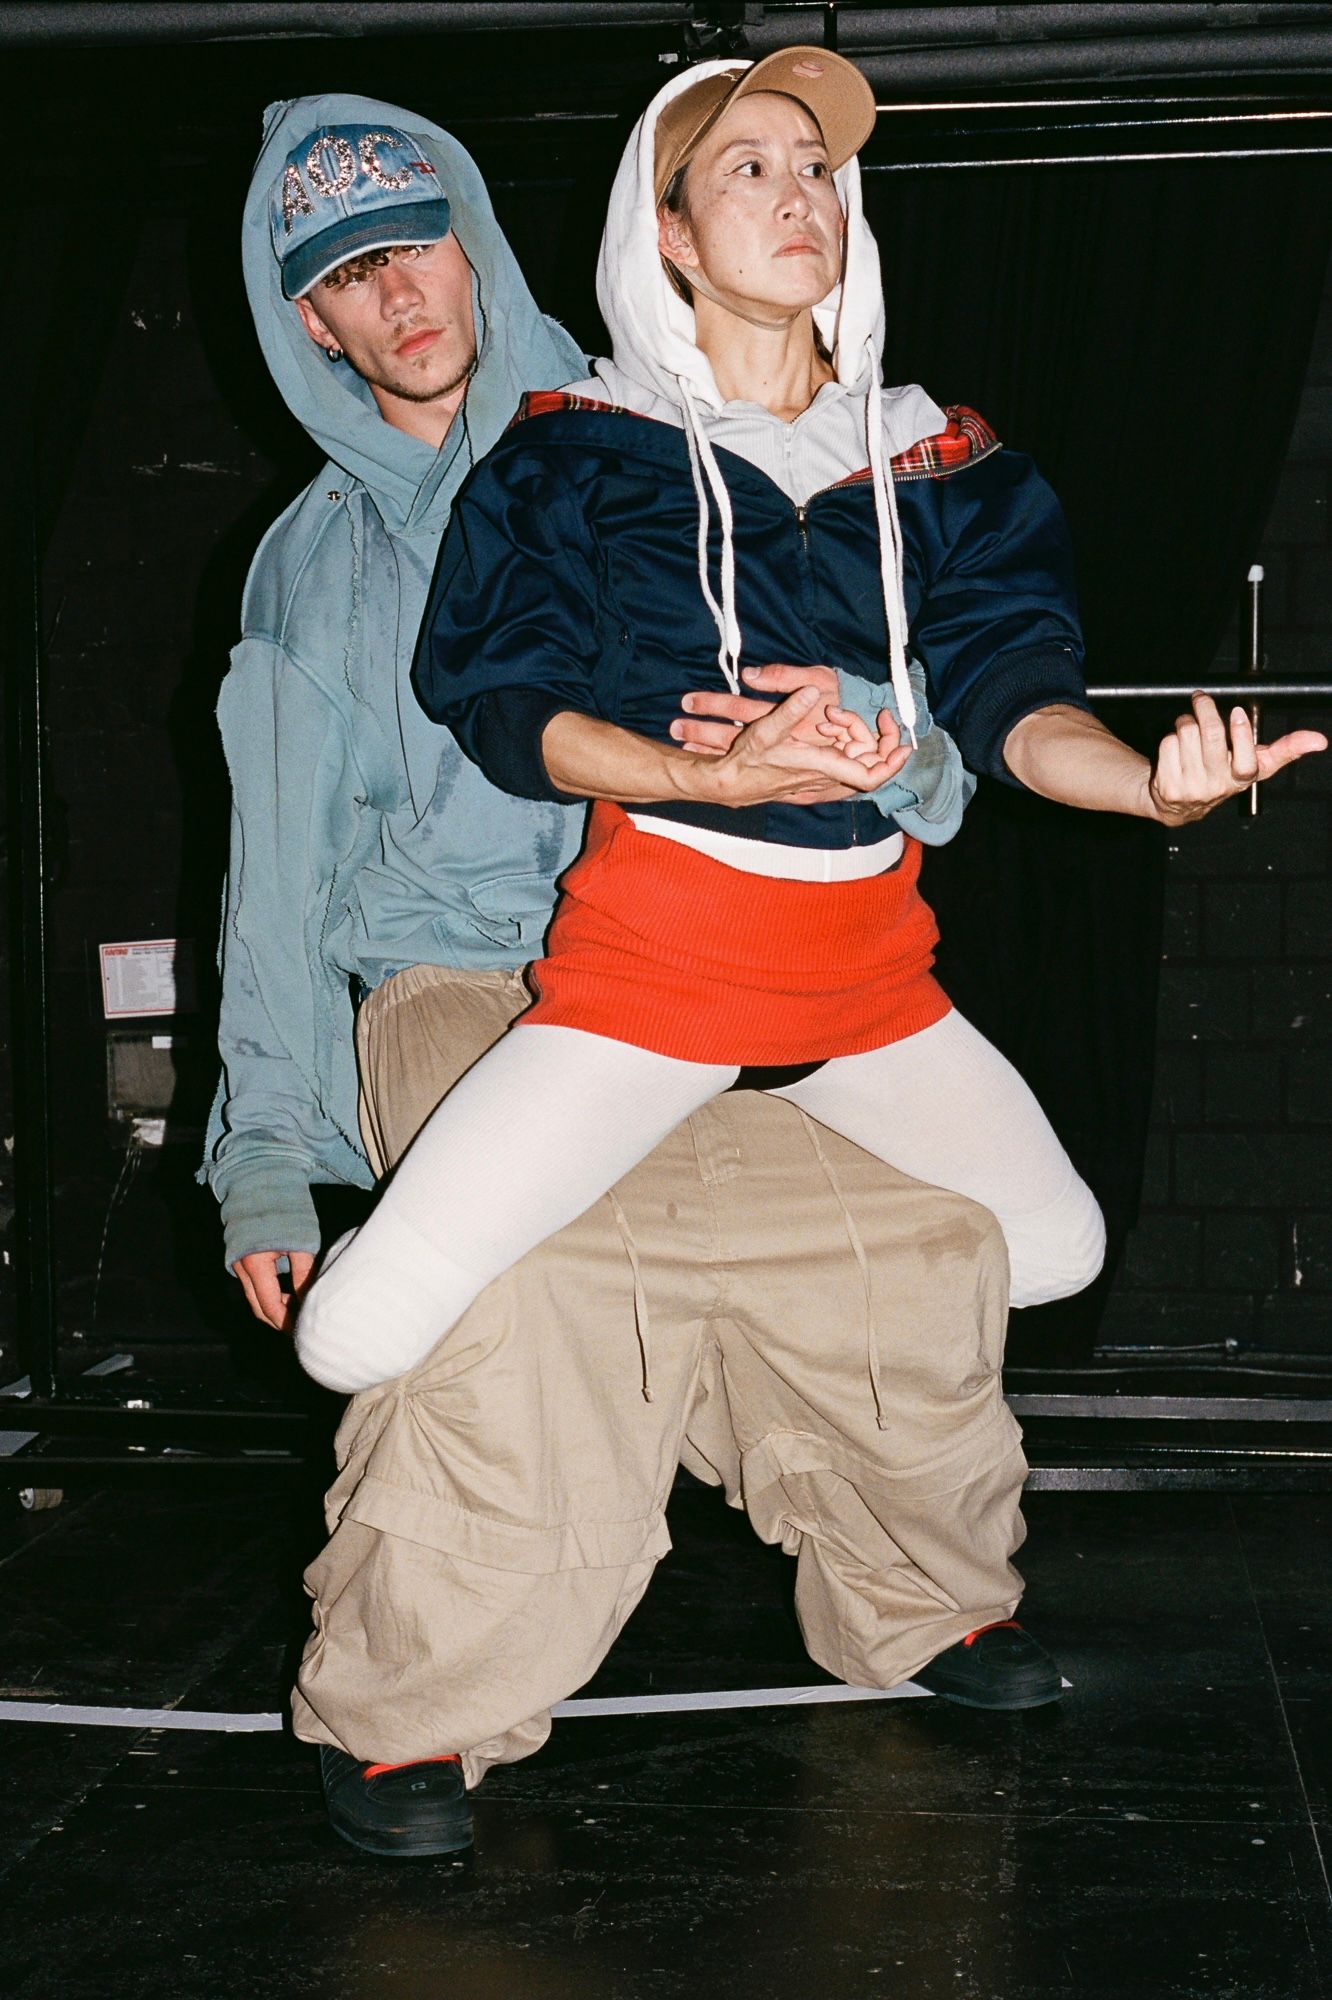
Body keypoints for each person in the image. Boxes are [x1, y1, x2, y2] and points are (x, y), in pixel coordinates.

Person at [207, 89, 1071, 1866]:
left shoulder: (669, 430)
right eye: (348, 277)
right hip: (465, 988)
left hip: (715, 959)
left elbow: (934, 750)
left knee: (894, 1253)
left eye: (417, 244)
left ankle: (926, 1600)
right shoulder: (310, 573)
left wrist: (898, 763)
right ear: (312, 322)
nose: (398, 295)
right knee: (516, 1316)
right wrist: (261, 1158)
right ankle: (411, 1707)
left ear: (480, 244)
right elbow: (275, 882)